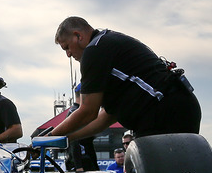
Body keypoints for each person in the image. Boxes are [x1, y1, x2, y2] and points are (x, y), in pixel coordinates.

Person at [50, 17, 200, 142]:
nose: (68, 54)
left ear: (78, 36)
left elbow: (88, 111)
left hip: (163, 112)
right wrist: (64, 139)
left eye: (67, 47)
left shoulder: (94, 50)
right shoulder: (108, 43)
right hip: (181, 106)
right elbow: (105, 117)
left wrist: (49, 137)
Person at [65, 83, 97, 172]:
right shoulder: (76, 112)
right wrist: (78, 166)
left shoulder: (80, 112)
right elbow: (74, 140)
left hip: (85, 160)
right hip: (81, 163)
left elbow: (89, 144)